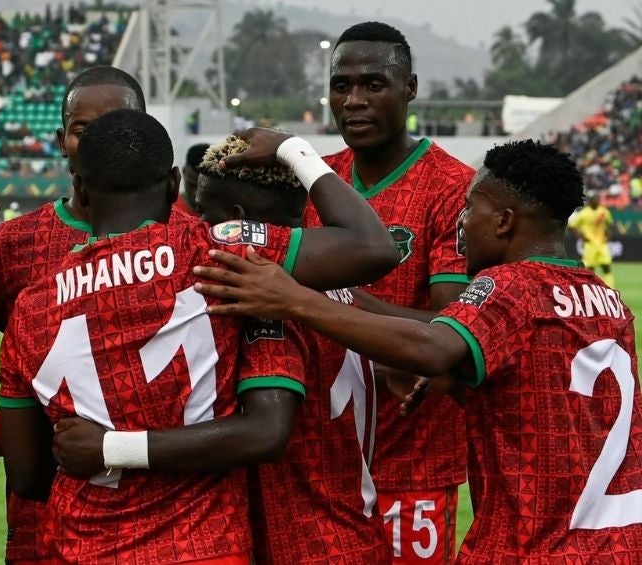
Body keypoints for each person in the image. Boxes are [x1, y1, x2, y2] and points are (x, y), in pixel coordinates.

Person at [193, 139, 642, 562]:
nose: (461, 222)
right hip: (620, 542)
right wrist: (458, 378)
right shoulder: (607, 302)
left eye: (470, 208)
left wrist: (293, 299)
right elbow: (552, 393)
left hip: (535, 546)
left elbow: (431, 346)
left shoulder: (511, 285)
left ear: (503, 221)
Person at [0, 109, 399, 562]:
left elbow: (28, 477)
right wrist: (293, 148)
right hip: (205, 545)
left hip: (85, 545)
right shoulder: (216, 255)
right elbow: (372, 247)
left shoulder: (30, 307)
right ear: (173, 185)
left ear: (82, 189)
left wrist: (107, 448)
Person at [0, 65, 146, 564]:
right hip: (45, 520)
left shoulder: (192, 236)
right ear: (61, 140)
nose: (101, 142)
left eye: (118, 125)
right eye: (84, 129)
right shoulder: (12, 246)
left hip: (168, 512)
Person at [313, 21, 474, 561]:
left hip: (414, 455)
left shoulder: (453, 188)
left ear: (409, 89)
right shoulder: (317, 183)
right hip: (323, 460)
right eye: (342, 85)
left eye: (374, 84)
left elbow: (452, 327)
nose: (354, 100)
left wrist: (343, 304)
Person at [568, 191, 615, 288]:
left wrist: (609, 235)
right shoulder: (584, 213)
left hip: (602, 244)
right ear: (591, 201)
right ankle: (590, 288)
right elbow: (572, 226)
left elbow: (610, 224)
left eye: (598, 199)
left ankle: (610, 288)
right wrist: (581, 237)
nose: (598, 201)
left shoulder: (604, 211)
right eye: (596, 199)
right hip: (590, 244)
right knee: (590, 269)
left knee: (606, 266)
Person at [175, 142, 210, 216]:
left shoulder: (222, 213)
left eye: (202, 188)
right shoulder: (169, 209)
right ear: (183, 172)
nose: (195, 193)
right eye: (192, 185)